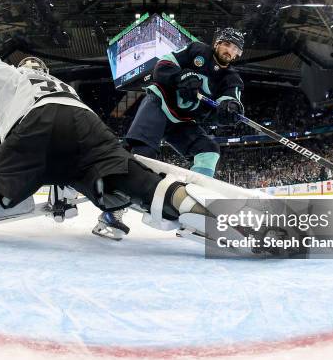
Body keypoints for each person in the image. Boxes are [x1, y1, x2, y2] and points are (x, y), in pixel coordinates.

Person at [0, 52, 247, 242]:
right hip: (87, 127)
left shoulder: (16, 75)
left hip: (37, 126)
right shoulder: (66, 87)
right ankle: (199, 209)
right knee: (137, 185)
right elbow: (68, 145)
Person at [94, 28, 246, 240]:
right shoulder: (197, 50)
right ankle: (112, 212)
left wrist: (229, 109)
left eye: (235, 49)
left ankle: (194, 211)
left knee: (209, 151)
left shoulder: (232, 78)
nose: (230, 51)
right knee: (141, 156)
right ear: (217, 43)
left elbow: (231, 101)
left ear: (238, 54)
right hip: (159, 104)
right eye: (227, 44)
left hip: (182, 121)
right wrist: (181, 76)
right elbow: (162, 65)